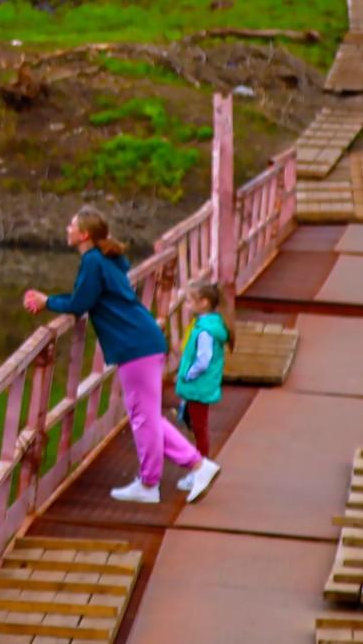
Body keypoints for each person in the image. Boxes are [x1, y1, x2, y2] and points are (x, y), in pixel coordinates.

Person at [31, 211, 218, 505]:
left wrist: (47, 302)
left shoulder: (92, 260)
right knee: (147, 416)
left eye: (72, 224)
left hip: (136, 346)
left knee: (143, 417)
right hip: (142, 341)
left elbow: (81, 302)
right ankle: (197, 465)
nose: (66, 227)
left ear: (83, 235)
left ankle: (149, 483)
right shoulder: (105, 260)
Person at [172, 280, 229, 454]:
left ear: (203, 303)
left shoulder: (205, 331)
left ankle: (201, 464)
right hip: (200, 386)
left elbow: (203, 360)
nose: (187, 306)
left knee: (199, 428)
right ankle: (199, 461)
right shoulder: (207, 325)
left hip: (198, 387)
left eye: (189, 301)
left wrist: (188, 375)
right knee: (196, 424)